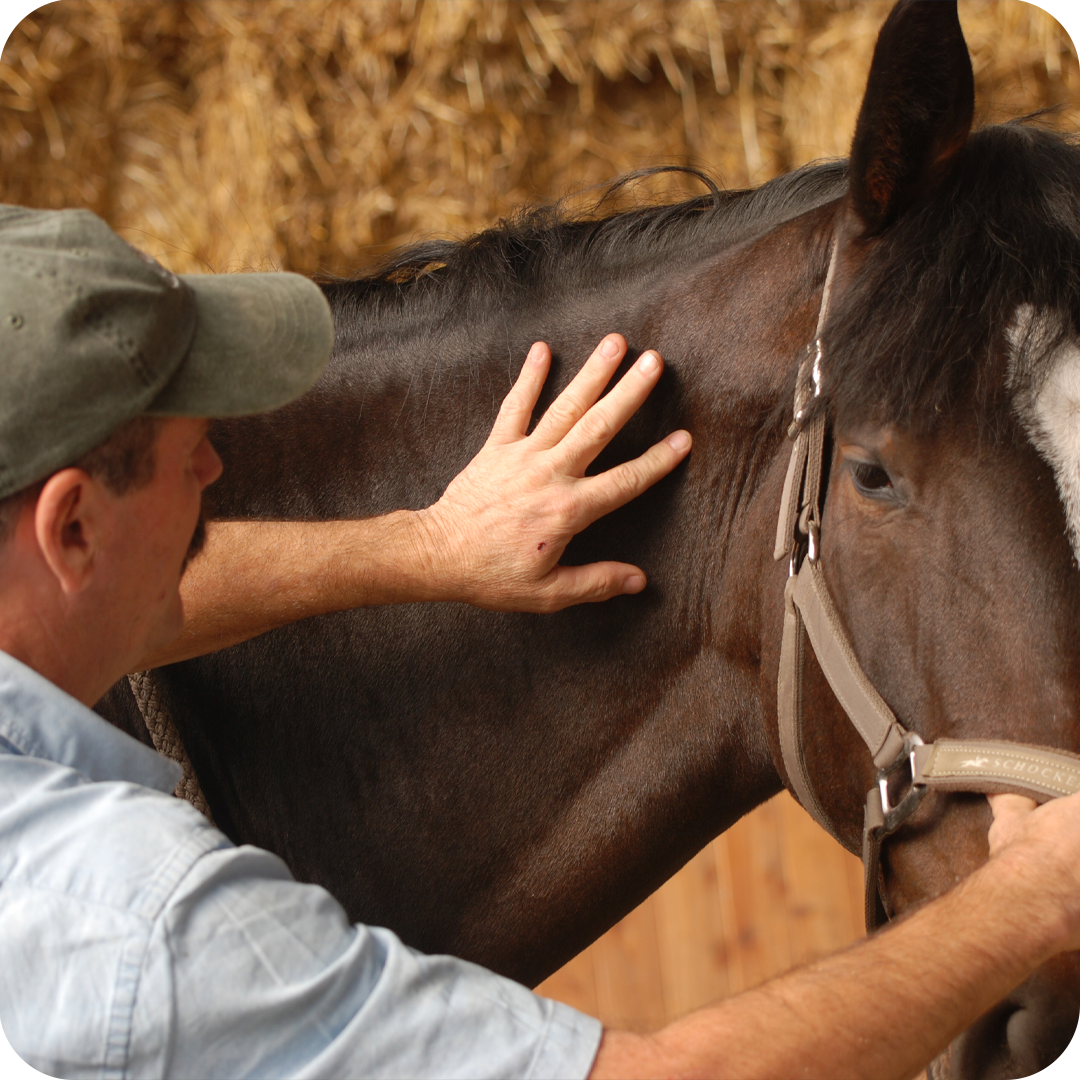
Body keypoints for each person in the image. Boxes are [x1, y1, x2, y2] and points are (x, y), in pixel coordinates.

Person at [0, 204, 1077, 1080]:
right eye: (196, 450)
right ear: (73, 528)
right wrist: (1028, 903)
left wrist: (425, 545)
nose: (220, 478)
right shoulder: (127, 926)